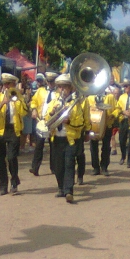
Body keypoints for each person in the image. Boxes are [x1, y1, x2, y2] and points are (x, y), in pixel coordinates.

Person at [46, 74, 90, 203]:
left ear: (71, 87)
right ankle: (61, 188)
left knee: (69, 164)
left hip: (71, 138)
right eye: (59, 87)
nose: (61, 90)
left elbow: (83, 120)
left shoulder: (80, 101)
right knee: (58, 166)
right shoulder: (54, 101)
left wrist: (69, 121)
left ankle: (69, 191)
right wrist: (52, 114)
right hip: (57, 138)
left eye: (64, 87)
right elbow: (46, 120)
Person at [0, 73, 28, 195]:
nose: (7, 87)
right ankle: (3, 186)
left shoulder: (19, 98)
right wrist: (2, 103)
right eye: (5, 84)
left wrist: (17, 99)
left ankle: (14, 181)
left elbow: (24, 113)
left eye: (9, 84)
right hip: (0, 130)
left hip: (14, 130)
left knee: (12, 157)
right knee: (0, 160)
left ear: (14, 85)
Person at [29, 72, 58, 176]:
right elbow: (33, 102)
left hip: (53, 122)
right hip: (41, 121)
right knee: (39, 145)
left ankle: (54, 168)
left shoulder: (58, 93)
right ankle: (35, 167)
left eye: (52, 82)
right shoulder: (40, 91)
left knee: (53, 146)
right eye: (49, 81)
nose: (50, 83)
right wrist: (33, 109)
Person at [89, 87, 117, 176]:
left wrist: (112, 115)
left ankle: (104, 167)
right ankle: (95, 167)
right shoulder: (90, 98)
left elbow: (117, 108)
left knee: (106, 147)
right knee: (93, 147)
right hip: (93, 126)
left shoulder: (110, 97)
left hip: (107, 125)